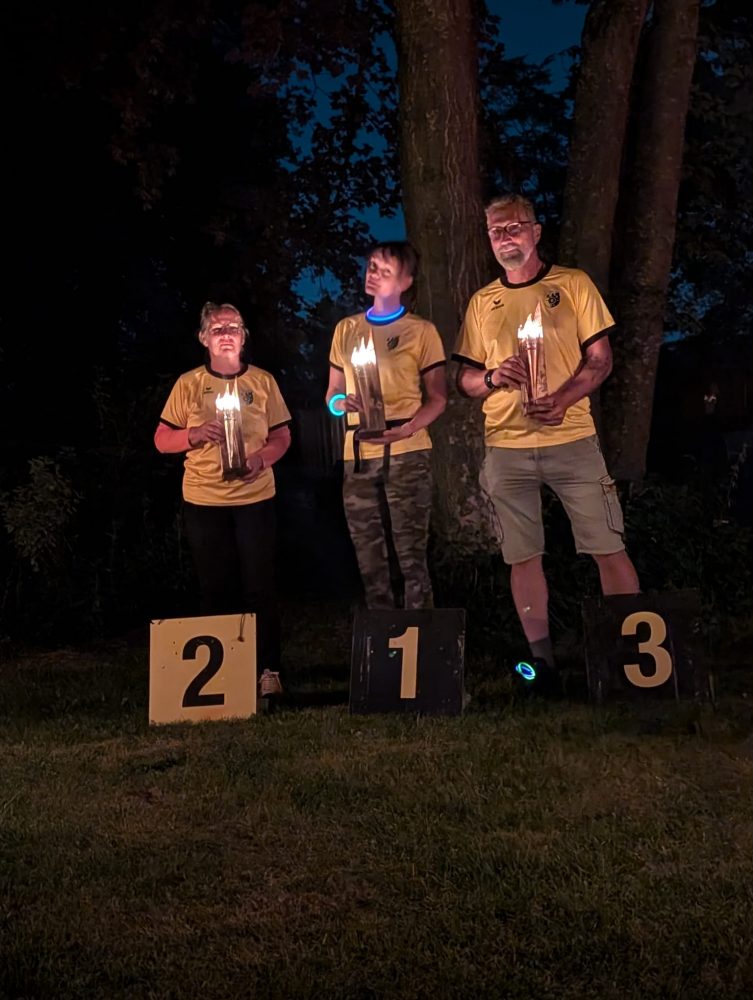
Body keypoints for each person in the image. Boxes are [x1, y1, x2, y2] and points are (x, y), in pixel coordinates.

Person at [453, 193, 640, 694]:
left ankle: (632, 658)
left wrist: (563, 399)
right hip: (506, 446)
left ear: (536, 232)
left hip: (572, 439)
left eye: (514, 227)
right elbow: (465, 380)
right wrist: (492, 377)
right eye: (496, 231)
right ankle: (542, 666)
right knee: (522, 556)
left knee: (607, 546)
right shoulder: (482, 302)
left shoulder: (573, 285)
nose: (505, 237)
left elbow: (600, 359)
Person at [154, 301, 291, 695]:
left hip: (255, 498)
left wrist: (261, 459)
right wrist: (194, 435)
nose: (226, 333)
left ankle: (268, 670)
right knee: (216, 587)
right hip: (204, 501)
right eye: (217, 329)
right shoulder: (189, 385)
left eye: (234, 327)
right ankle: (225, 677)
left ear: (244, 337)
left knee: (260, 585)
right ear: (203, 338)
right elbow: (161, 440)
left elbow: (282, 436)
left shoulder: (262, 382)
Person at [325, 241, 447, 609]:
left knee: (411, 553)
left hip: (407, 452)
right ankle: (381, 629)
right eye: (372, 266)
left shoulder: (420, 331)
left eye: (385, 270)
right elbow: (332, 392)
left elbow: (438, 398)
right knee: (368, 555)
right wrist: (340, 405)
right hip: (359, 454)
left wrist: (408, 428)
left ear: (405, 281)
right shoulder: (347, 329)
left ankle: (421, 628)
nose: (374, 274)